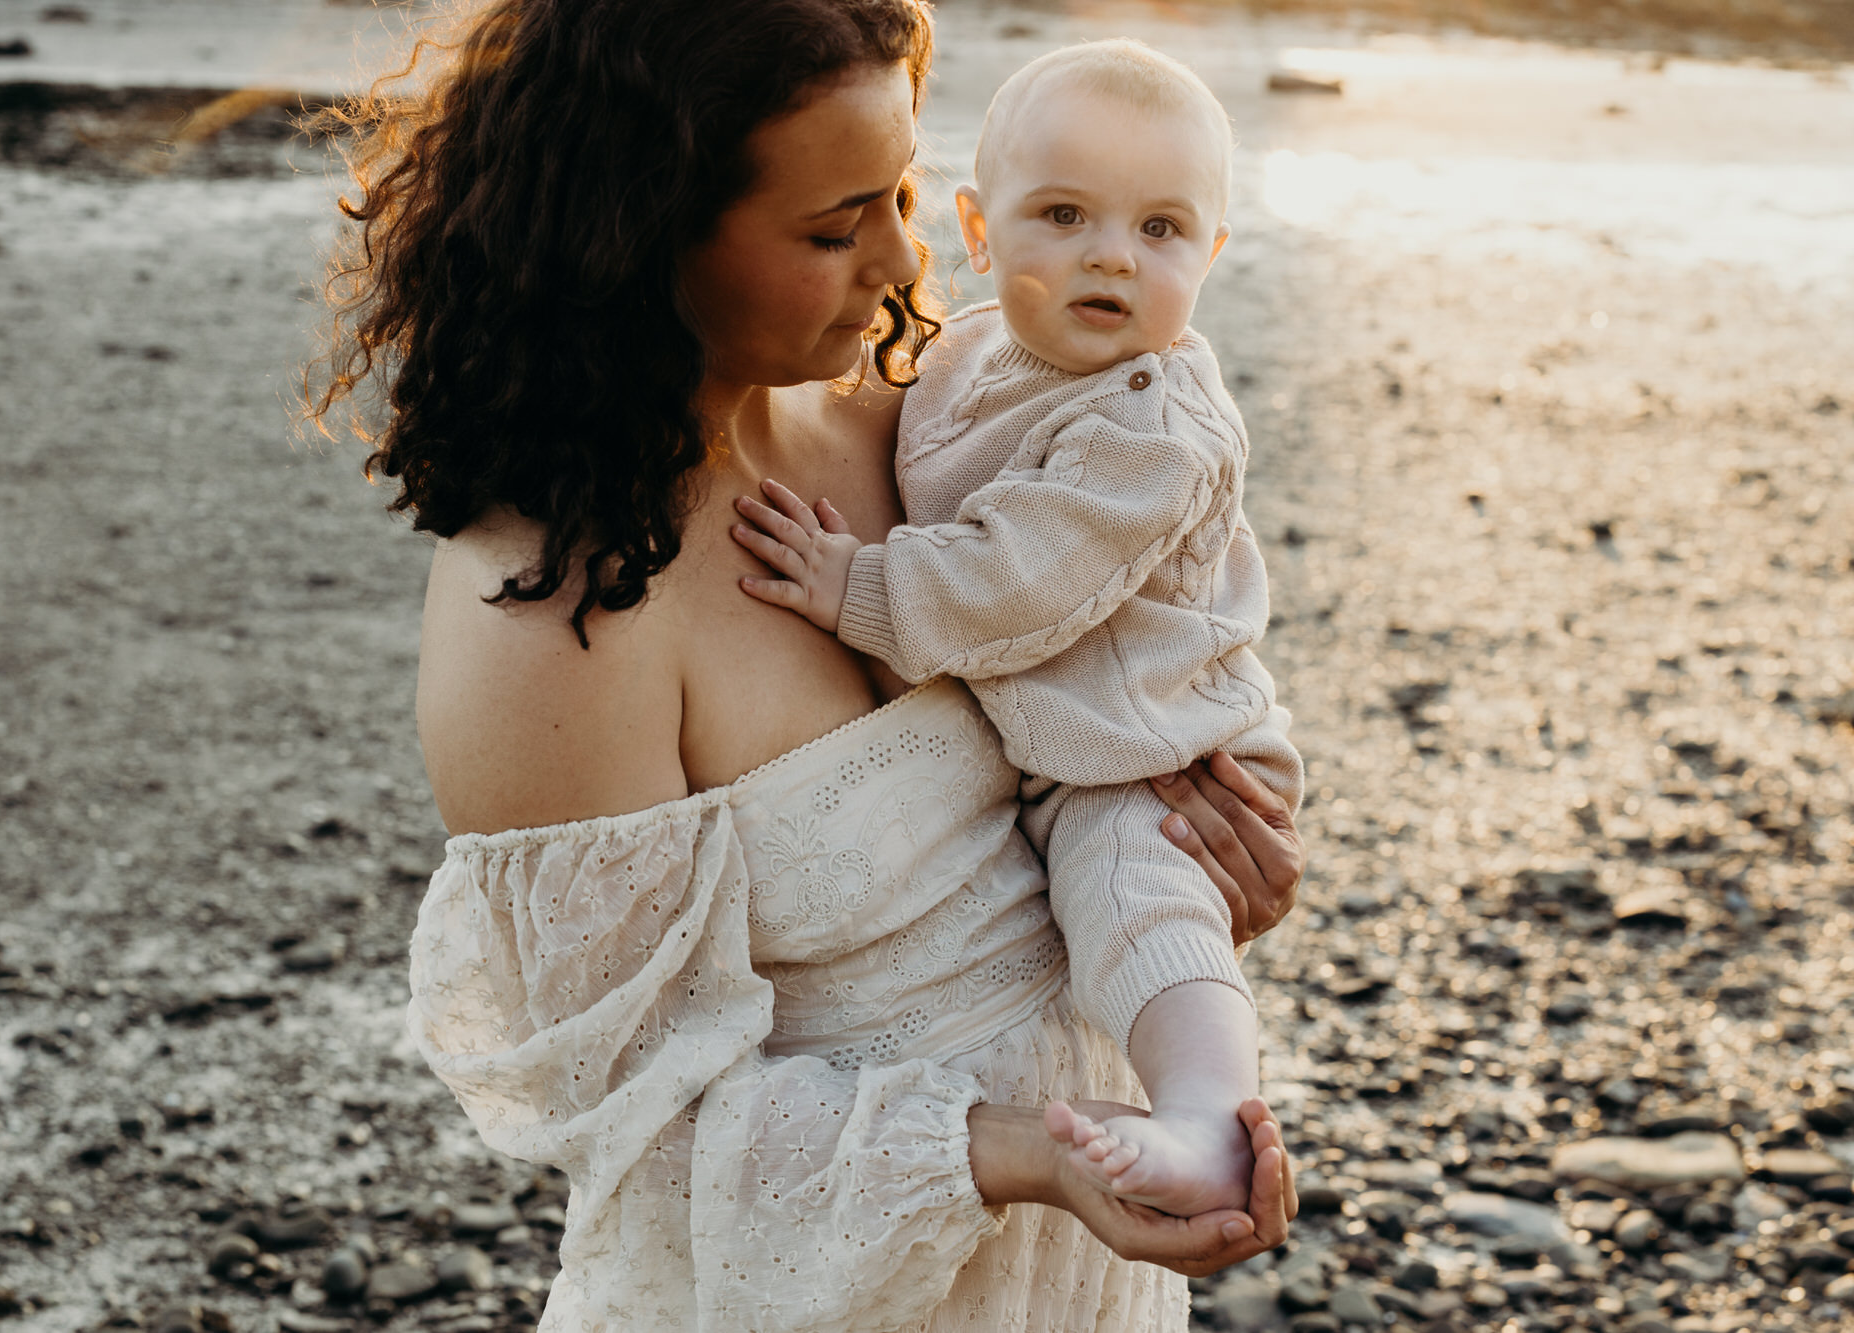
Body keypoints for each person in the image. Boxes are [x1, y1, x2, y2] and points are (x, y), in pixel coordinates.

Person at [306, 1, 1307, 1327]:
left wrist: (1210, 871)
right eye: (836, 228)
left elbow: (1125, 698)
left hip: (1081, 1278)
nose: (905, 264)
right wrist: (1026, 1151)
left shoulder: (933, 427)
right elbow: (646, 1131)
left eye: (900, 191)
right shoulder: (547, 620)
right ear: (637, 231)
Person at [728, 39, 1299, 1221]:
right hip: (1056, 735)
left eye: (1160, 230)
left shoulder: (1154, 425)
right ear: (979, 233)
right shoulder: (971, 352)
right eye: (1064, 214)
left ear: (1211, 257)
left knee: (1145, 892)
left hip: (1153, 750)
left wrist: (858, 587)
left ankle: (1206, 1114)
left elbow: (1016, 578)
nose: (1110, 253)